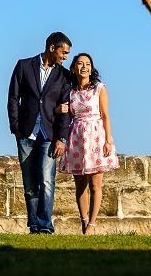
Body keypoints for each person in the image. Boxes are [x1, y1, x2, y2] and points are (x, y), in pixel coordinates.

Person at [7, 32, 73, 234]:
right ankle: (34, 224)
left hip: (49, 134)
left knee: (46, 179)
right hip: (26, 133)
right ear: (52, 48)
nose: (66, 57)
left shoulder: (64, 75)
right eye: (64, 52)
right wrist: (16, 128)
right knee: (29, 184)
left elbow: (65, 110)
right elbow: (13, 98)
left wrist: (61, 138)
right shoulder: (23, 66)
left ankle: (45, 225)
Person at [58, 52, 119, 235]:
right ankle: (84, 220)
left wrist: (108, 141)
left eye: (87, 63)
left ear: (91, 68)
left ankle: (92, 224)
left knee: (95, 185)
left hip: (96, 137)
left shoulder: (99, 88)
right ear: (74, 67)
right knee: (80, 185)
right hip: (76, 138)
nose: (84, 66)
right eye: (80, 63)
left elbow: (106, 116)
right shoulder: (70, 91)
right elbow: (67, 116)